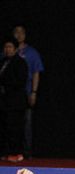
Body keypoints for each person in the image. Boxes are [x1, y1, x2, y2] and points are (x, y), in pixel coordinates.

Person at [12, 25, 44, 161]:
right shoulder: (7, 51)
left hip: (25, 93)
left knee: (27, 123)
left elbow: (36, 72)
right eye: (16, 32)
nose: (19, 35)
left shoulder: (32, 53)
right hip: (9, 95)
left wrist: (34, 92)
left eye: (21, 33)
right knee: (11, 124)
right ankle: (11, 152)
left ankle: (27, 152)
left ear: (25, 35)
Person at [0, 37, 28, 161]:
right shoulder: (2, 62)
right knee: (4, 127)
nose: (7, 49)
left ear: (16, 49)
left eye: (10, 47)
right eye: (6, 47)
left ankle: (16, 153)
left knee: (15, 127)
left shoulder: (21, 63)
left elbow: (20, 81)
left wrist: (6, 84)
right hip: (4, 102)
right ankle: (5, 152)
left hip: (16, 102)